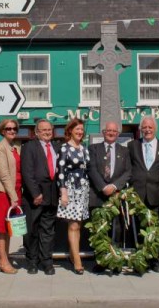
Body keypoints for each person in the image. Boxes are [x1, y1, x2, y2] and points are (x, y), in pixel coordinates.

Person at [87, 121, 132, 273]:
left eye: (114, 131)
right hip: (98, 195)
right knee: (100, 230)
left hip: (116, 196)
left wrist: (114, 186)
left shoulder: (124, 151)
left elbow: (128, 172)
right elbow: (91, 169)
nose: (111, 133)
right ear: (103, 132)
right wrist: (103, 187)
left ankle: (115, 261)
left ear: (118, 134)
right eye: (108, 130)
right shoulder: (93, 149)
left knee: (117, 230)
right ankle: (101, 261)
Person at [127, 116, 159, 272]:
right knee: (139, 229)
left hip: (157, 195)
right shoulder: (132, 146)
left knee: (157, 229)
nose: (147, 130)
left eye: (150, 127)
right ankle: (141, 261)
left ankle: (156, 261)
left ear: (155, 129)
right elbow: (127, 168)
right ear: (140, 129)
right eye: (144, 127)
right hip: (138, 195)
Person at [21, 119, 58, 275]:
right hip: (34, 196)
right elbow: (27, 172)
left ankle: (47, 262)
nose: (47, 132)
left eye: (49, 129)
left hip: (52, 196)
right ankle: (32, 261)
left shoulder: (56, 146)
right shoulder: (29, 147)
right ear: (37, 132)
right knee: (32, 230)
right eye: (43, 130)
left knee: (48, 231)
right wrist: (35, 193)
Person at [57, 118, 90, 275]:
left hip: (83, 189)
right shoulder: (64, 148)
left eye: (81, 129)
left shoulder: (84, 148)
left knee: (79, 224)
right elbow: (61, 171)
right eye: (77, 129)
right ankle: (77, 261)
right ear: (70, 130)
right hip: (71, 189)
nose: (80, 132)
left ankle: (72, 254)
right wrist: (63, 192)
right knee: (73, 225)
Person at [0, 119, 22, 274]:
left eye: (14, 128)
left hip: (15, 191)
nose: (11, 131)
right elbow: (3, 175)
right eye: (8, 128)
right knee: (1, 228)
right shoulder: (0, 148)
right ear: (2, 131)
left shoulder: (15, 147)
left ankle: (6, 258)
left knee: (9, 228)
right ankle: (3, 261)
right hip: (4, 192)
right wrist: (13, 196)